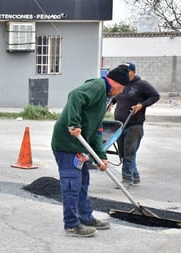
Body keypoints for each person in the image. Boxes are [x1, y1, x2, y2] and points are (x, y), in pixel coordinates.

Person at [51, 65, 130, 237]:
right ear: (116, 83)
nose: (122, 91)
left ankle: (86, 217)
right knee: (72, 184)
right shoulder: (98, 85)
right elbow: (75, 96)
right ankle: (72, 225)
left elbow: (96, 129)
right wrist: (74, 123)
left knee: (82, 183)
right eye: (122, 87)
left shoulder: (104, 97)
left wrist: (101, 157)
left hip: (80, 147)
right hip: (67, 144)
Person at [111, 62, 160, 187]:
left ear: (133, 72)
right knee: (123, 153)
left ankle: (127, 180)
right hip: (119, 125)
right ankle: (135, 176)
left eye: (127, 71)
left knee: (129, 153)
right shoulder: (122, 85)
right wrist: (111, 102)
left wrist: (141, 105)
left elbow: (155, 96)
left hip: (134, 125)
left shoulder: (141, 85)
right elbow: (117, 97)